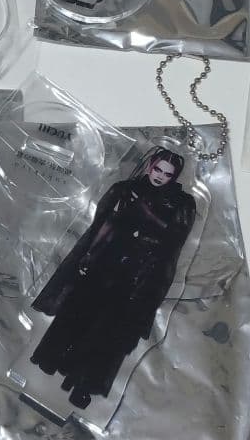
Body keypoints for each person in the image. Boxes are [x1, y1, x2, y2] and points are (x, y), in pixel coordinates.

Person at [29, 148, 195, 409]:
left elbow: (173, 242)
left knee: (109, 333)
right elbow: (101, 225)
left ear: (174, 177)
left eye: (167, 174)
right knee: (78, 315)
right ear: (150, 166)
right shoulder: (125, 189)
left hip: (138, 275)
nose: (160, 176)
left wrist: (144, 217)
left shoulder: (180, 203)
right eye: (158, 169)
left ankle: (83, 386)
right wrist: (89, 257)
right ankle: (54, 364)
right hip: (104, 262)